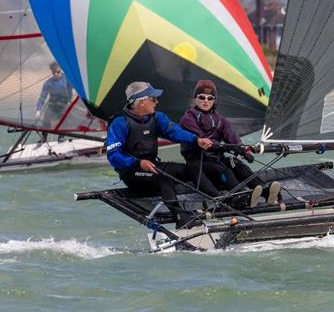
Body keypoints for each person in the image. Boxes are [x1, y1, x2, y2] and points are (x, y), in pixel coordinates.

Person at [105, 81, 216, 226]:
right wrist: (138, 163)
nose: (157, 102)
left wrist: (196, 140)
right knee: (164, 178)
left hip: (154, 166)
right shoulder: (120, 123)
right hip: (132, 173)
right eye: (153, 98)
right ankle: (180, 218)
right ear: (142, 102)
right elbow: (113, 155)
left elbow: (174, 132)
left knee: (193, 169)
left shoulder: (157, 117)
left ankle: (219, 199)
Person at [179, 80, 280, 208]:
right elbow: (204, 141)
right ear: (195, 98)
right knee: (223, 170)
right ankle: (242, 196)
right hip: (198, 161)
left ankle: (266, 191)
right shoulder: (188, 118)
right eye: (202, 97)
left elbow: (232, 136)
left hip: (216, 158)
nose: (206, 101)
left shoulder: (219, 119)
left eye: (210, 98)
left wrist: (243, 150)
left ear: (214, 100)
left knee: (237, 164)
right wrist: (228, 147)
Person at [35, 62, 73, 141]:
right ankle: (44, 137)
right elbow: (42, 97)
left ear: (60, 70)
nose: (56, 74)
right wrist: (38, 110)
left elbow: (71, 89)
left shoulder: (67, 79)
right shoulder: (48, 83)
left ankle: (61, 137)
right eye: (54, 72)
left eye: (58, 72)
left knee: (65, 118)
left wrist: (70, 100)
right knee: (46, 118)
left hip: (64, 104)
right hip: (52, 105)